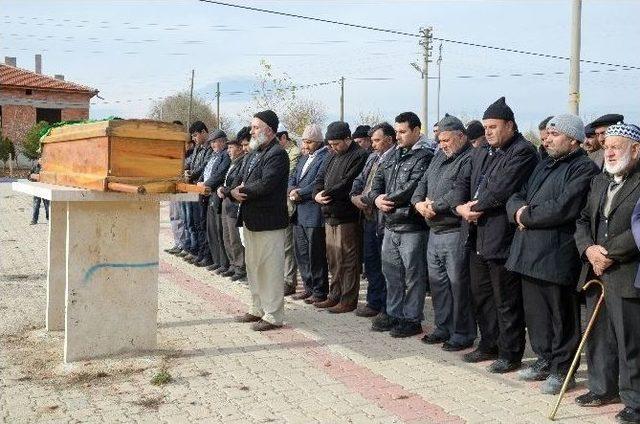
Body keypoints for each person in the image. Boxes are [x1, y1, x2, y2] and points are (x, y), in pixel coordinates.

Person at [506, 114, 599, 394]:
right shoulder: (544, 164)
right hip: (527, 252)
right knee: (537, 315)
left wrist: (526, 215)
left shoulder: (583, 169)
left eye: (555, 135)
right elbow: (515, 194)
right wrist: (518, 211)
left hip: (556, 255)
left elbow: (563, 207)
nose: (548, 139)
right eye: (547, 134)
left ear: (573, 139)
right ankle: (543, 360)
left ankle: (562, 369)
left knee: (561, 316)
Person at [450, 97, 539, 373]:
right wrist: (459, 207)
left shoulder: (523, 151)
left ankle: (510, 352)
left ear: (510, 125)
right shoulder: (480, 151)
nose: (487, 132)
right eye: (485, 126)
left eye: (493, 126)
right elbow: (461, 183)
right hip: (475, 234)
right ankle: (488, 343)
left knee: (506, 300)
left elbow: (502, 189)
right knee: (482, 296)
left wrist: (473, 207)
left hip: (502, 238)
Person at [574, 123, 640, 423]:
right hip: (596, 269)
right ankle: (602, 388)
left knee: (630, 341)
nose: (609, 151)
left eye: (617, 146)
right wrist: (588, 249)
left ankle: (635, 402)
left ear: (635, 150)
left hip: (626, 271)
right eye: (607, 146)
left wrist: (608, 254)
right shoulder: (600, 180)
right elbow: (583, 219)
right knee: (599, 335)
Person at [364, 112, 433, 337]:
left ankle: (412, 319)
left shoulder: (423, 156)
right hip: (390, 224)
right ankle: (394, 313)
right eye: (397, 131)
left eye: (403, 131)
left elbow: (413, 188)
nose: (399, 136)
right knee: (391, 274)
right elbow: (377, 181)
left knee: (413, 276)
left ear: (416, 131)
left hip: (411, 225)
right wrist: (376, 199)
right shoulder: (393, 155)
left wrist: (387, 200)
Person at [412, 114, 476, 351]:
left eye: (446, 140)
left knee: (458, 285)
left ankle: (462, 332)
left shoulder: (469, 158)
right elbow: (422, 183)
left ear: (461, 136)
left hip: (454, 231)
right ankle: (443, 327)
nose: (442, 145)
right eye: (439, 140)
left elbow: (460, 193)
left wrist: (433, 206)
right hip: (434, 231)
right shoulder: (438, 156)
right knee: (438, 283)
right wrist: (418, 203)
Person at [231, 110, 289, 331]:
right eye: (252, 127)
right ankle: (257, 308)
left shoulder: (277, 154)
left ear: (269, 130)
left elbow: (266, 184)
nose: (251, 131)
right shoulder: (254, 153)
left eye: (256, 127)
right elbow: (239, 179)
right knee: (254, 267)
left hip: (269, 221)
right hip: (251, 220)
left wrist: (239, 191)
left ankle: (273, 314)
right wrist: (229, 190)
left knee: (270, 269)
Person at [313, 121, 369, 313]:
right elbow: (319, 178)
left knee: (347, 258)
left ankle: (348, 298)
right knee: (333, 257)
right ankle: (334, 294)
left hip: (347, 216)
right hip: (329, 213)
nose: (333, 148)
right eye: (330, 144)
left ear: (347, 139)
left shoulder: (359, 155)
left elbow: (347, 183)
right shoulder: (330, 155)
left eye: (336, 144)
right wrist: (316, 194)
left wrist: (325, 194)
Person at [350, 122, 396, 318]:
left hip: (384, 218)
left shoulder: (395, 158)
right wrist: (354, 196)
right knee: (371, 263)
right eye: (373, 140)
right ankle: (373, 302)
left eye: (377, 140)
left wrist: (370, 198)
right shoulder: (372, 158)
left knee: (386, 265)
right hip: (368, 217)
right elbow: (360, 180)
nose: (373, 144)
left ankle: (386, 306)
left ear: (389, 139)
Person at [288, 124, 330, 303]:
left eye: (309, 142)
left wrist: (300, 193)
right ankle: (308, 287)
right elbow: (293, 177)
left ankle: (319, 291)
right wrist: (291, 189)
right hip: (299, 212)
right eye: (304, 141)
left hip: (313, 212)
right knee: (302, 253)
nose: (305, 145)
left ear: (318, 142)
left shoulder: (324, 158)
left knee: (316, 254)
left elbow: (318, 183)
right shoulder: (304, 159)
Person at [217, 128, 249, 282]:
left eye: (231, 148)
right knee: (227, 236)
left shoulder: (242, 162)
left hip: (234, 203)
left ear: (239, 149)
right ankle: (232, 264)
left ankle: (240, 267)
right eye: (228, 147)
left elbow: (236, 182)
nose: (229, 151)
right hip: (226, 201)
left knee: (235, 237)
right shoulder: (232, 163)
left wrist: (224, 190)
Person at [199, 129, 231, 270]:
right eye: (211, 142)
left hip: (217, 194)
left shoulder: (225, 156)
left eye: (215, 142)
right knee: (211, 229)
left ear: (223, 141)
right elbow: (205, 171)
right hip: (207, 193)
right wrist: (199, 183)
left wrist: (206, 184)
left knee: (219, 230)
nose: (213, 145)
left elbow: (220, 174)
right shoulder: (213, 155)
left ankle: (224, 263)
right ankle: (216, 261)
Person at [184, 121, 213, 265]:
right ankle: (198, 251)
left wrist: (192, 174)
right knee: (193, 221)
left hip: (203, 189)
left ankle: (205, 254)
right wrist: (186, 171)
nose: (194, 139)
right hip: (193, 188)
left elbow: (204, 167)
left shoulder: (211, 148)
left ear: (203, 132)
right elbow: (191, 163)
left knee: (202, 223)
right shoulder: (197, 148)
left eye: (195, 135)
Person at [277, 125, 301, 296]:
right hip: (278, 202)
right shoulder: (281, 153)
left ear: (284, 138)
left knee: (287, 245)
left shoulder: (294, 153)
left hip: (288, 203)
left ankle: (289, 281)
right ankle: (284, 278)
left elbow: (288, 175)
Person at [166, 120, 188, 254]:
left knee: (182, 217)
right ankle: (177, 243)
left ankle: (183, 245)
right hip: (172, 186)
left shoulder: (185, 145)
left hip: (182, 187)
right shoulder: (171, 146)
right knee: (174, 216)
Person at [29, 159, 49, 224]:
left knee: (47, 205)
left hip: (46, 189)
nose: (41, 160)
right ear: (38, 160)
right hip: (37, 189)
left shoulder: (48, 167)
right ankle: (34, 220)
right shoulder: (35, 167)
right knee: (36, 204)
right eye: (40, 158)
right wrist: (34, 176)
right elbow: (28, 176)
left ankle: (49, 218)